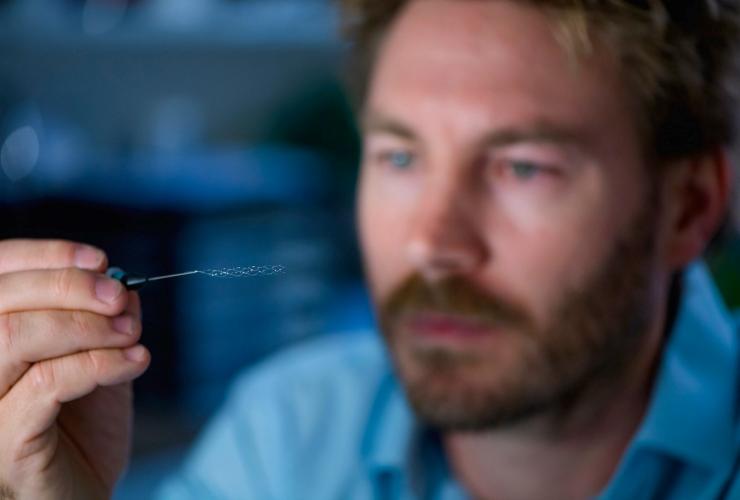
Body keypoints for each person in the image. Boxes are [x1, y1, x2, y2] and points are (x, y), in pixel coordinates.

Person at [1, 0, 739, 498]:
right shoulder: (286, 436)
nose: (430, 244)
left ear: (690, 208)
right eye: (399, 158)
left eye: (523, 168)